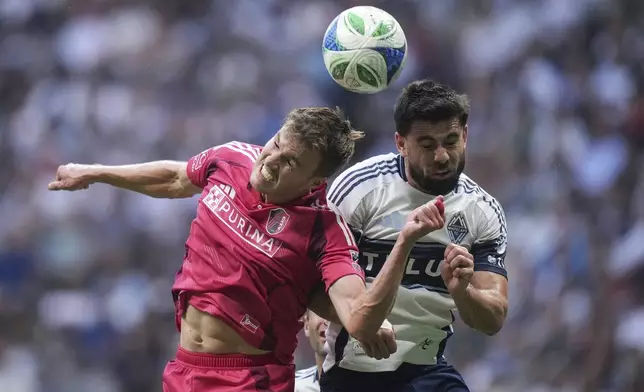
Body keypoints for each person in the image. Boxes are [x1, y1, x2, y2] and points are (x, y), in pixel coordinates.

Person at [48, 106, 446, 392]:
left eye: (289, 162)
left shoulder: (325, 231)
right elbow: (174, 178)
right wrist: (96, 172)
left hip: (249, 378)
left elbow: (358, 319)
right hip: (185, 369)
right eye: (275, 143)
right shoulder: (234, 158)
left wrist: (405, 241)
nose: (270, 160)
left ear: (314, 183)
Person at [320, 81, 510, 392]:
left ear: (465, 135)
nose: (441, 156)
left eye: (451, 141)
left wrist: (463, 292)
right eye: (426, 144)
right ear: (400, 143)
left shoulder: (483, 210)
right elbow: (313, 284)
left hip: (427, 369)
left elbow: (493, 319)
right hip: (355, 369)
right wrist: (362, 319)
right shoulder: (357, 190)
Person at [294, 310, 327, 392]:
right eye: (321, 311)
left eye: (338, 313)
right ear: (306, 326)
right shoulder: (292, 387)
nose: (328, 322)